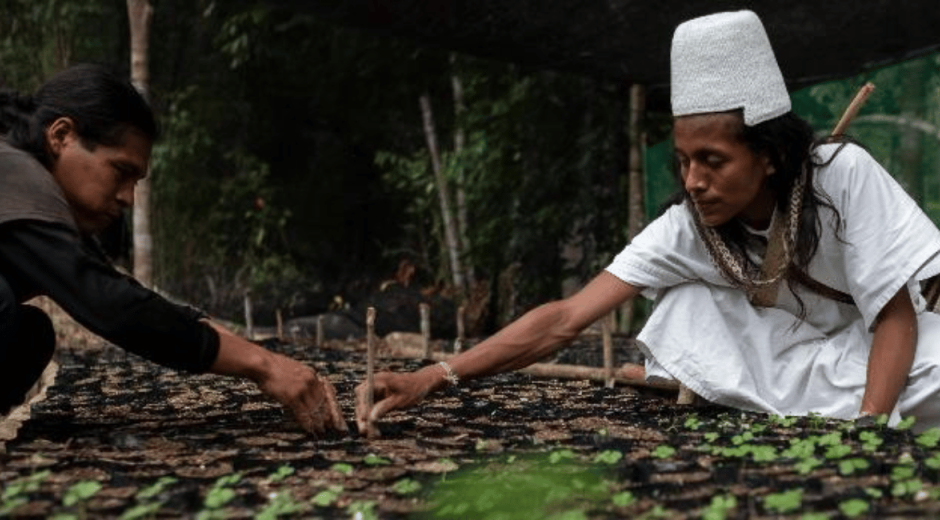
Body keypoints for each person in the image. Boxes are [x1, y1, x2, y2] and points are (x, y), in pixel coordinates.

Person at [355, 10, 940, 434]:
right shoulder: (691, 227)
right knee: (686, 304)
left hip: (895, 355)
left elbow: (894, 315)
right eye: (683, 160)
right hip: (796, 368)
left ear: (771, 156)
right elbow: (563, 319)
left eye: (712, 161)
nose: (692, 181)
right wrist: (432, 377)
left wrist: (870, 429)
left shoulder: (841, 172)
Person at [0, 64, 347, 436]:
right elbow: (111, 305)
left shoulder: (30, 188)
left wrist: (270, 360)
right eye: (120, 171)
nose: (128, 198)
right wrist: (264, 366)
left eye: (136, 182)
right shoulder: (14, 172)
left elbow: (123, 291)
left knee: (28, 333)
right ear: (62, 136)